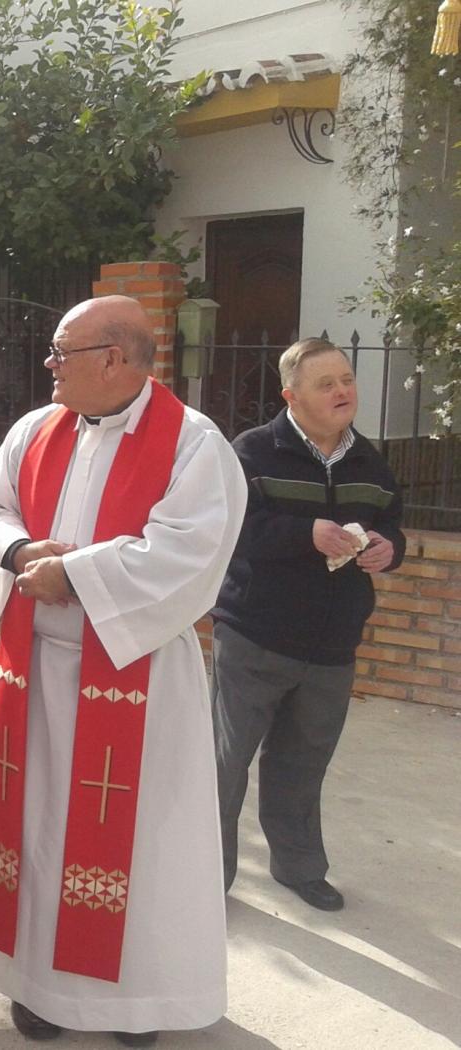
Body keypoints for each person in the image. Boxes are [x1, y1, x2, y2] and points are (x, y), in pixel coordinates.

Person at [0, 295, 247, 1046]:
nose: (48, 366)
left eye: (59, 352)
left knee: (141, 844)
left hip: (136, 678)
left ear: (113, 358)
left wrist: (75, 575)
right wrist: (14, 555)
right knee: (38, 832)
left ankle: (138, 1002)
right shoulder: (35, 430)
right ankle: (37, 987)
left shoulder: (194, 445)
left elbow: (191, 552)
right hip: (34, 673)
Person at [211, 338, 404, 913]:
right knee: (225, 763)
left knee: (303, 762)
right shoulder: (251, 451)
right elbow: (226, 530)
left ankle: (298, 866)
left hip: (332, 645)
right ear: (291, 396)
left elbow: (393, 522)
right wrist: (305, 535)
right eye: (327, 384)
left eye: (346, 379)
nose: (343, 391)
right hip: (254, 636)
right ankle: (208, 877)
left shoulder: (371, 460)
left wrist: (388, 548)